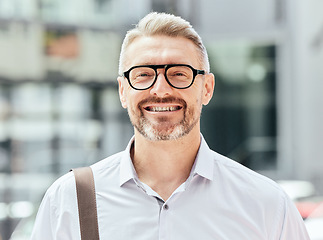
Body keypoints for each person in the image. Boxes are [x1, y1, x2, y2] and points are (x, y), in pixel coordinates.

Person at [30, 12, 310, 239]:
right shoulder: (69, 201)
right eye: (142, 75)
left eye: (179, 73)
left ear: (207, 88)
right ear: (122, 91)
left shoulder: (266, 204)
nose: (161, 90)